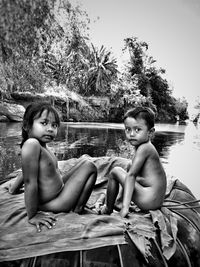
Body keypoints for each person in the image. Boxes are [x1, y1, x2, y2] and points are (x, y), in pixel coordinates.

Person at [9, 102, 97, 231]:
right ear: (27, 126)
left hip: (59, 191)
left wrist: (14, 189)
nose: (50, 129)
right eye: (44, 123)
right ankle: (78, 208)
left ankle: (77, 204)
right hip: (55, 202)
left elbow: (26, 172)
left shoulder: (41, 145)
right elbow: (29, 181)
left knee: (85, 160)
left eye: (54, 125)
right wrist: (32, 215)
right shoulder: (32, 144)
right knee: (90, 167)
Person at [100, 106, 167, 218]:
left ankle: (108, 208)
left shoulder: (144, 148)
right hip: (155, 200)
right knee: (130, 166)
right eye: (128, 129)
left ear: (150, 132)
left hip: (148, 200)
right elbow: (141, 176)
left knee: (115, 172)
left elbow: (131, 176)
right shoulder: (145, 146)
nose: (131, 134)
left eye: (137, 130)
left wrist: (125, 208)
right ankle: (123, 200)